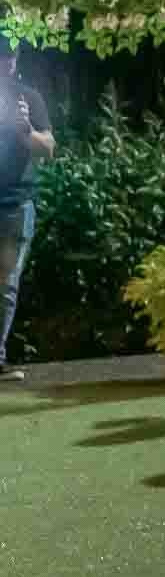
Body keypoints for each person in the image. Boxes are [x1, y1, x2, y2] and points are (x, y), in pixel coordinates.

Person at [0, 46, 55, 381]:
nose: (5, 63)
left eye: (8, 57)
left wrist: (25, 130)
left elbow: (48, 148)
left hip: (16, 205)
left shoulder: (28, 98)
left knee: (5, 285)